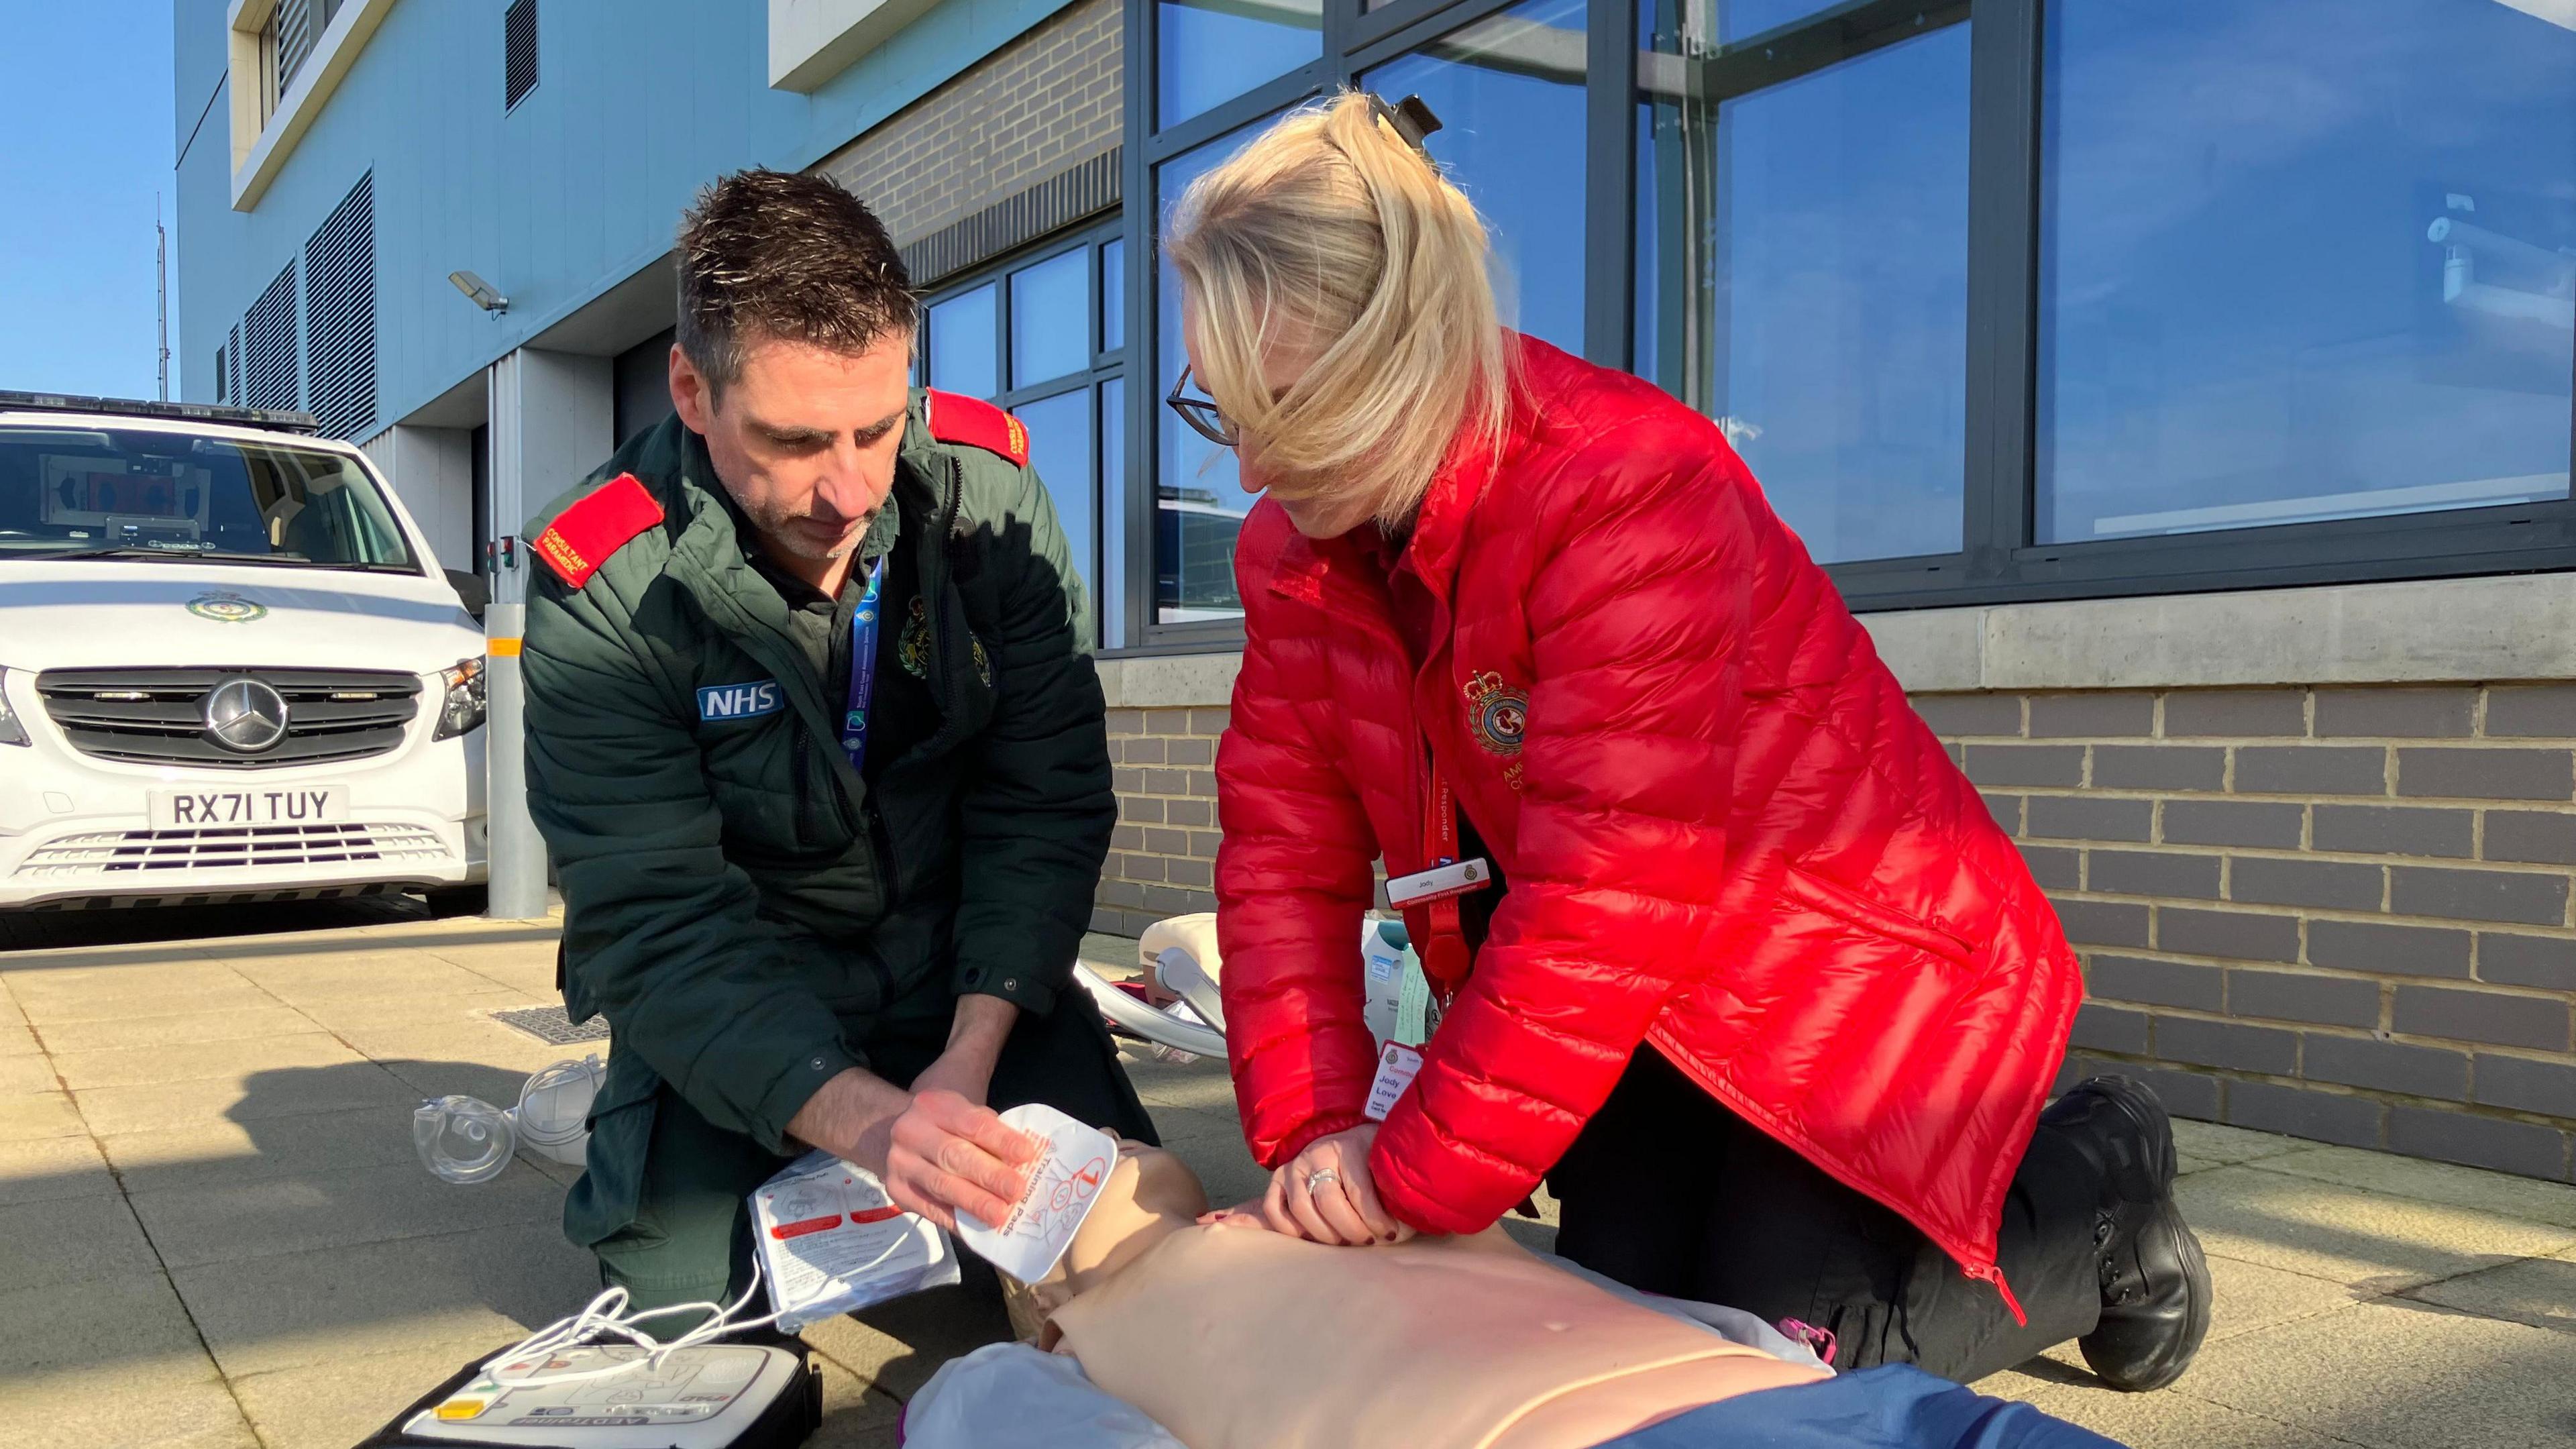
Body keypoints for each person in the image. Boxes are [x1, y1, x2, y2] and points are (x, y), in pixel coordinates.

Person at [1172, 93, 2210, 1389]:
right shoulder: (1295, 555)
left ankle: (2104, 1182)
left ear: (1399, 355)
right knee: (1612, 1333)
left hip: (1842, 972)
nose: (1252, 474)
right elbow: (1282, 858)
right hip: (1643, 996)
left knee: (1789, 1370)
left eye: (1285, 408)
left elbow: (1606, 890)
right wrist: (1321, 1131)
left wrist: (1414, 1174)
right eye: (1217, 410)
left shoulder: (1623, 481)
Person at [521, 169, 1155, 1317]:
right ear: (692, 391)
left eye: (880, 424)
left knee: (1121, 1249)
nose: (852, 487)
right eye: (798, 440)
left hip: (968, 974)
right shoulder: (606, 580)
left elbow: (1043, 799)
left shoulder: (987, 500)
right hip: (757, 988)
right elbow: (653, 918)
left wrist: (965, 1068)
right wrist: (868, 1121)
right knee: (682, 1315)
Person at [914, 1142, 2123, 1449]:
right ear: (1041, 1298)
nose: (1102, 1167)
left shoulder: (1375, 1213)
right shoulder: (1047, 1363)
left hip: (1834, 1414)